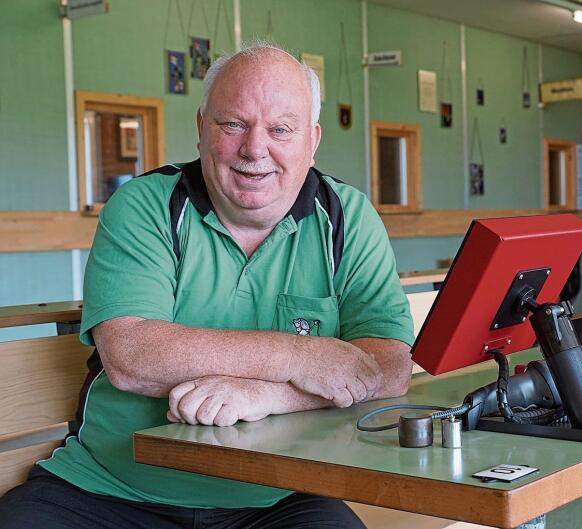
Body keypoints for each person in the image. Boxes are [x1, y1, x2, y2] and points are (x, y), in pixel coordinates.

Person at [0, 42, 414, 529]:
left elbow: (387, 369)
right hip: (110, 488)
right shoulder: (145, 206)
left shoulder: (348, 218)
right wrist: (302, 358)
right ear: (201, 128)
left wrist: (271, 396)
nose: (255, 148)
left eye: (281, 129)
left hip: (279, 497)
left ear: (312, 140)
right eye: (233, 124)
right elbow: (133, 356)